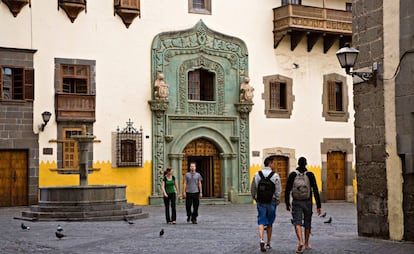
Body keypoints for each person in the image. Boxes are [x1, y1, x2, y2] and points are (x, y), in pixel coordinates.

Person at [285, 157, 322, 253]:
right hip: (308, 201)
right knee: (307, 222)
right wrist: (318, 205)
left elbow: (287, 190)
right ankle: (306, 243)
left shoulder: (292, 175)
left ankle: (300, 241)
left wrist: (287, 203)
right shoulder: (310, 174)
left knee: (297, 222)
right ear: (306, 164)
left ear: (298, 163)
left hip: (296, 201)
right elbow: (315, 190)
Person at [251, 156, 281, 252]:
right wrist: (278, 200)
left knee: (261, 220)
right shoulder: (275, 175)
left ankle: (261, 239)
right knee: (270, 223)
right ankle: (268, 243)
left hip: (261, 201)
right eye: (273, 163)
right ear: (270, 164)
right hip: (271, 201)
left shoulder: (257, 174)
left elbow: (253, 188)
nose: (274, 165)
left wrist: (255, 197)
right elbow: (278, 190)